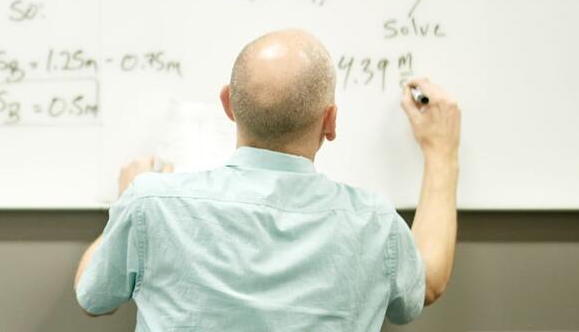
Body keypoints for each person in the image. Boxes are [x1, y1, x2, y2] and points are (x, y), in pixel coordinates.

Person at [74, 29, 460, 330]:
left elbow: (91, 296)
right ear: (330, 121)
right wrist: (441, 152)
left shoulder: (150, 204)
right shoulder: (373, 221)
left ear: (228, 104)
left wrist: (124, 200)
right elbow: (427, 284)